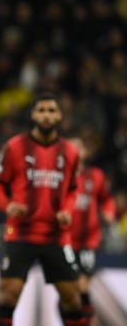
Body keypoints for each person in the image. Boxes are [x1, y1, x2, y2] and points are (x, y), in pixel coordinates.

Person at [0, 93, 85, 326]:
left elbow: (73, 189)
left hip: (57, 236)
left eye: (52, 110)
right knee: (9, 293)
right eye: (41, 110)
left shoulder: (70, 151)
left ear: (60, 115)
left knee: (73, 298)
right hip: (20, 232)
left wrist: (68, 210)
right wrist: (7, 205)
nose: (46, 115)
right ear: (33, 114)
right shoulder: (14, 146)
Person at [68, 137, 116, 326]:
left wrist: (109, 212)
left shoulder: (95, 176)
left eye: (78, 147)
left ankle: (88, 322)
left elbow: (106, 199)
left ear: (86, 152)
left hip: (88, 241)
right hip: (65, 243)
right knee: (68, 293)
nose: (75, 151)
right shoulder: (59, 178)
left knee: (83, 286)